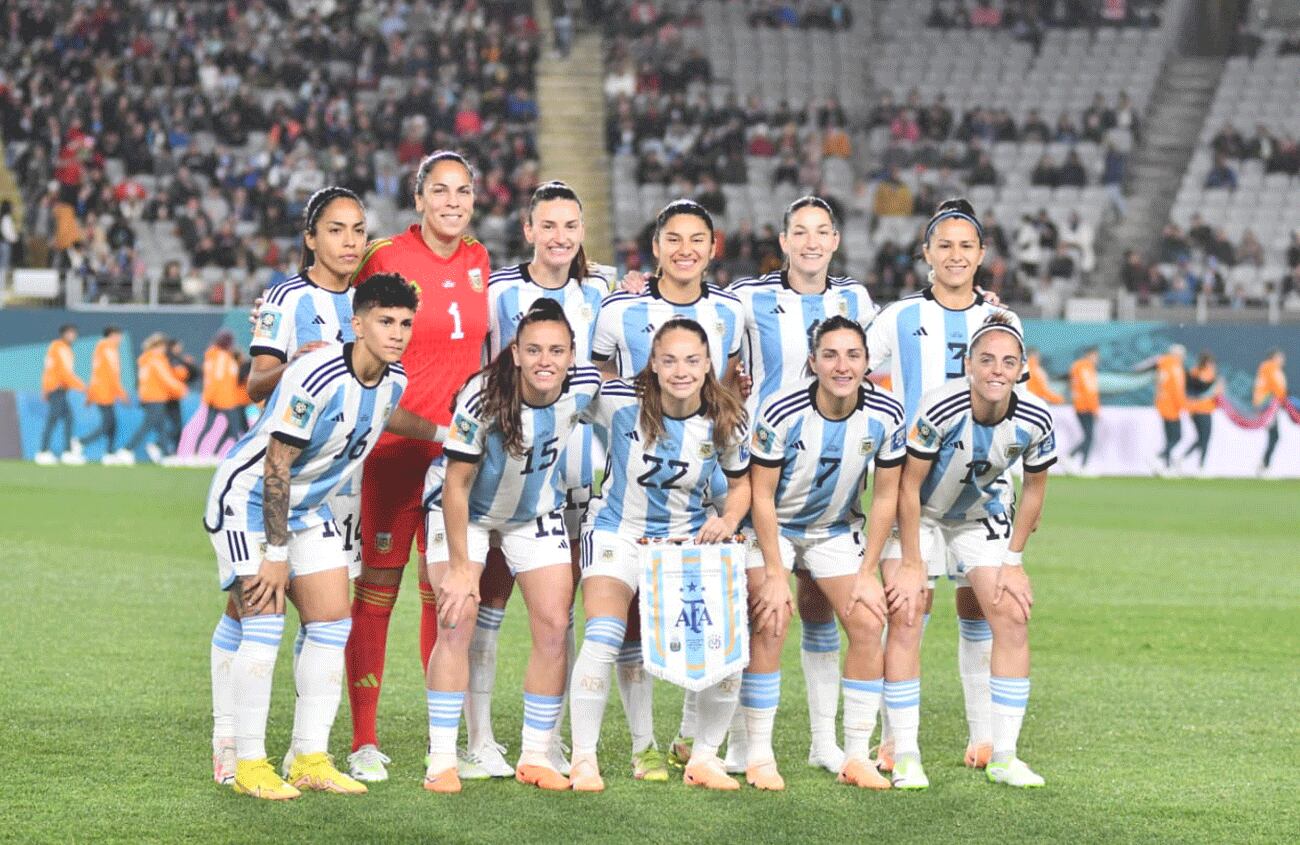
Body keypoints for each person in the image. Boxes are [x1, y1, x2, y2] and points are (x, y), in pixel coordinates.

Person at [203, 274, 438, 800]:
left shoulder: (393, 377)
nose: (397, 333)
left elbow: (386, 413)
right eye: (385, 322)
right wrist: (277, 555)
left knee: (333, 622)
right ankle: (249, 762)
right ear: (357, 323)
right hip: (249, 502)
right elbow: (276, 464)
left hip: (306, 507)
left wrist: (447, 435)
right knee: (264, 624)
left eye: (404, 323)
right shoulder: (317, 372)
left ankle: (309, 756)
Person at [207, 187, 370, 785]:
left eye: (357, 230)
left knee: (328, 620)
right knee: (256, 613)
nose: (349, 241)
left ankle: (309, 757)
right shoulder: (284, 297)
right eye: (335, 230)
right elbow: (255, 384)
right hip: (270, 475)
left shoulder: (367, 300)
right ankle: (232, 746)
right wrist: (305, 359)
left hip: (323, 488)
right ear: (310, 238)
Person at [344, 151, 491, 783]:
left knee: (448, 595)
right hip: (390, 453)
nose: (452, 202)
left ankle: (445, 740)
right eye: (440, 191)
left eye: (463, 191)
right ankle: (363, 740)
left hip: (454, 463)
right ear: (419, 198)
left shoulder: (482, 262)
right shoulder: (383, 257)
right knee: (377, 593)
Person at [868, 199, 1024, 775]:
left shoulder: (1004, 323)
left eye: (966, 246)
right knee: (908, 610)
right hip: (915, 493)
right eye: (945, 245)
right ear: (927, 253)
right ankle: (895, 743)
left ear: (981, 256)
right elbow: (851, 372)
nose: (955, 256)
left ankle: (985, 739)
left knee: (982, 607)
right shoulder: (898, 316)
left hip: (982, 494)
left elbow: (1014, 401)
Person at [591, 199, 745, 781]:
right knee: (617, 622)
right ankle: (636, 747)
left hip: (698, 497)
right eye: (673, 239)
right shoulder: (620, 306)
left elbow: (730, 383)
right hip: (625, 484)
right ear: (655, 247)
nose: (685, 250)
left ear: (713, 247)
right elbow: (595, 368)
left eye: (697, 239)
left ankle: (689, 742)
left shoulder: (733, 309)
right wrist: (635, 407)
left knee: (703, 620)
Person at [421, 300, 603, 794]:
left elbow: (637, 394)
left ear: (571, 356)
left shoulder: (584, 386)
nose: (547, 360)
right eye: (535, 349)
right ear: (516, 354)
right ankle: (441, 758)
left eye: (557, 351)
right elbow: (456, 485)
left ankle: (535, 755)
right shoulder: (482, 397)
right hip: (464, 511)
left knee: (553, 623)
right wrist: (461, 567)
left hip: (532, 512)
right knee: (457, 616)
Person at [568, 319, 751, 793]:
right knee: (606, 634)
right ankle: (585, 760)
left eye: (692, 360)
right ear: (653, 362)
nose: (680, 370)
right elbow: (559, 394)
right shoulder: (617, 401)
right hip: (618, 532)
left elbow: (741, 485)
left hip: (687, 543)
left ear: (708, 364)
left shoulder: (725, 417)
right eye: (668, 359)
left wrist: (728, 520)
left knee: (726, 647)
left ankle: (704, 756)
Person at [727, 196, 877, 774]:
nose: (811, 242)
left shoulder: (857, 300)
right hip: (764, 470)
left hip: (832, 482)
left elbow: (877, 356)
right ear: (783, 240)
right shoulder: (749, 297)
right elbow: (707, 344)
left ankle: (825, 744)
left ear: (835, 240)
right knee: (761, 611)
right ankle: (739, 741)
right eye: (799, 232)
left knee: (821, 613)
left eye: (822, 232)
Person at [465, 181, 609, 779]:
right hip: (505, 474)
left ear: (581, 232)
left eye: (570, 226)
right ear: (528, 231)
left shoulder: (601, 290)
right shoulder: (498, 290)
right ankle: (478, 738)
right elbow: (476, 370)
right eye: (548, 226)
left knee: (561, 611)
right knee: (489, 605)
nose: (559, 237)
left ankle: (546, 739)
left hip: (576, 473)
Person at [891, 314, 1056, 789]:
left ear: (1021, 368)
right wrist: (910, 562)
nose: (996, 370)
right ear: (968, 364)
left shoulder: (1037, 416)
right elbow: (907, 486)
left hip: (978, 516)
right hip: (920, 514)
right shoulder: (939, 407)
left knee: (1011, 614)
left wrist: (1014, 562)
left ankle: (1003, 755)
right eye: (986, 360)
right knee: (905, 614)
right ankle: (904, 753)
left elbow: (1035, 493)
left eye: (1008, 362)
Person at [742, 317, 905, 791]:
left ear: (867, 363)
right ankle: (758, 753)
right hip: (771, 528)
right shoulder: (781, 410)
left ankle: (855, 753)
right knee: (771, 617)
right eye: (830, 355)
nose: (842, 365)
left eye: (852, 355)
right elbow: (762, 495)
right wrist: (775, 571)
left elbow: (885, 497)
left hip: (834, 530)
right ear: (812, 362)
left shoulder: (887, 413)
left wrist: (868, 571)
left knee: (868, 621)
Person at [126, 333, 189, 463]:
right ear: (159, 346)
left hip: (149, 396)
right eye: (163, 346)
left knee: (160, 426)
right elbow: (166, 378)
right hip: (156, 396)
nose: (165, 349)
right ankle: (127, 449)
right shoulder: (156, 359)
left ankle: (165, 454)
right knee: (148, 425)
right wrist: (181, 389)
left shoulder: (146, 358)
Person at [35, 324, 86, 465]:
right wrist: (83, 387)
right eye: (70, 333)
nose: (73, 336)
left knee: (67, 418)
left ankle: (64, 452)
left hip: (56, 389)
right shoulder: (61, 348)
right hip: (57, 388)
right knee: (54, 419)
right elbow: (64, 373)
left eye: (74, 333)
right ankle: (44, 451)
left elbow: (49, 370)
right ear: (63, 334)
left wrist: (45, 389)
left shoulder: (58, 348)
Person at [83, 326, 131, 464]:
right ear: (112, 335)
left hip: (103, 392)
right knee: (108, 423)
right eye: (119, 335)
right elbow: (112, 374)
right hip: (103, 392)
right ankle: (81, 442)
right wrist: (121, 393)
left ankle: (109, 453)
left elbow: (96, 373)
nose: (120, 339)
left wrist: (90, 395)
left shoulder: (101, 348)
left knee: (112, 423)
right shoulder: (108, 349)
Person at [193, 330, 245, 458]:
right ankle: (238, 455)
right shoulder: (222, 357)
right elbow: (219, 378)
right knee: (234, 428)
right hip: (225, 399)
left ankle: (201, 453)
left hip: (219, 398)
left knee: (211, 427)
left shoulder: (214, 356)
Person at [1151, 344, 1187, 474]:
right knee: (1177, 436)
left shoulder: (1163, 364)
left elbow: (1160, 383)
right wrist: (1182, 405)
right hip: (1172, 406)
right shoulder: (1175, 366)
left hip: (1164, 404)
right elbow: (1177, 389)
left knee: (1169, 437)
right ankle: (1160, 456)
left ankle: (1165, 466)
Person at [1182, 351, 1220, 472]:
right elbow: (1203, 389)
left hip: (1200, 410)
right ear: (1207, 363)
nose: (1213, 365)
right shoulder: (1203, 374)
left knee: (1202, 438)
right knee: (1204, 438)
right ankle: (1200, 466)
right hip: (1201, 410)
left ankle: (1186, 460)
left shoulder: (1195, 372)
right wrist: (1215, 387)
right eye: (1211, 363)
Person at [1254, 349, 1288, 475]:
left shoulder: (1267, 368)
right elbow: (1278, 388)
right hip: (1268, 406)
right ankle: (1265, 465)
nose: (1283, 360)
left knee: (1274, 436)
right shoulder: (1271, 368)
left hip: (1269, 406)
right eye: (1280, 357)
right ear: (1274, 357)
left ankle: (1264, 464)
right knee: (1274, 436)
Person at [1067, 347, 1101, 473]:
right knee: (1090, 437)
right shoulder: (1086, 368)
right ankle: (1079, 462)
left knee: (1088, 436)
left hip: (1078, 405)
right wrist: (1095, 409)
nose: (1097, 359)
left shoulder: (1076, 366)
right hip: (1086, 406)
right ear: (1089, 355)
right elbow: (1089, 390)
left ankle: (1078, 462)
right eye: (1096, 356)